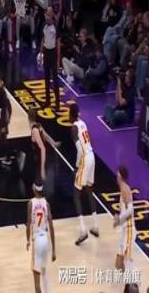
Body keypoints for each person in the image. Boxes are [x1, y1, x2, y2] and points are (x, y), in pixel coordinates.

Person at [69, 102, 99, 245]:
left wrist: (76, 166)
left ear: (71, 115)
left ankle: (83, 230)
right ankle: (96, 225)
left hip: (85, 159)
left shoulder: (73, 128)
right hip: (91, 156)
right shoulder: (83, 123)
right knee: (89, 189)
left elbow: (80, 150)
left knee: (76, 194)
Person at [26, 181, 56, 293]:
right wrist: (54, 250)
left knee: (36, 281)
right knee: (44, 272)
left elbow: (28, 224)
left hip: (37, 241)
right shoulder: (46, 204)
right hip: (45, 240)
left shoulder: (30, 203)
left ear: (34, 189)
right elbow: (51, 227)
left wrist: (27, 240)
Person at [113, 165, 136, 273]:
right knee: (118, 264)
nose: (116, 177)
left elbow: (130, 210)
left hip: (129, 229)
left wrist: (119, 219)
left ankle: (130, 281)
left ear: (120, 176)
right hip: (124, 229)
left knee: (127, 260)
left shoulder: (125, 189)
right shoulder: (122, 189)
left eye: (117, 175)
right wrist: (118, 222)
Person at [40, 7, 61, 112]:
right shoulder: (43, 25)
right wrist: (41, 53)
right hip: (46, 52)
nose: (47, 16)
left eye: (49, 15)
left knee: (55, 79)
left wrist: (58, 60)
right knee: (46, 78)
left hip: (53, 53)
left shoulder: (56, 26)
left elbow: (58, 43)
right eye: (46, 14)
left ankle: (57, 103)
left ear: (52, 15)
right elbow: (43, 39)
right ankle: (48, 101)